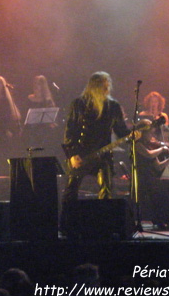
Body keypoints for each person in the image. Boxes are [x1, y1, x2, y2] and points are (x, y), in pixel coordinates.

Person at [59, 72, 130, 235]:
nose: (106, 87)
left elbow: (121, 130)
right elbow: (70, 130)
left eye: (107, 84)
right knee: (71, 188)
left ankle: (104, 225)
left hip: (102, 154)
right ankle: (66, 226)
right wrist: (72, 154)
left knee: (106, 188)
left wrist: (134, 133)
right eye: (102, 84)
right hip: (80, 153)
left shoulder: (113, 106)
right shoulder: (78, 104)